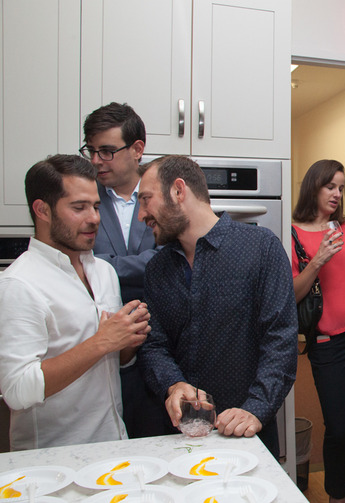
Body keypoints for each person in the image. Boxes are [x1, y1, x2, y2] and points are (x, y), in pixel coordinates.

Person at [136, 155, 297, 458]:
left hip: (247, 437)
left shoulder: (261, 248)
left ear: (178, 191)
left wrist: (255, 408)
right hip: (179, 439)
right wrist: (173, 384)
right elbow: (153, 345)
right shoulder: (157, 269)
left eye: (146, 199)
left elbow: (281, 340)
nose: (141, 214)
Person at [0, 154, 150, 450]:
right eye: (78, 207)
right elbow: (17, 389)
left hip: (114, 443)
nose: (94, 218)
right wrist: (102, 342)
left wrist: (127, 342)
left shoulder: (104, 272)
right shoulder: (19, 284)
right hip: (53, 459)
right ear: (42, 210)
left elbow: (115, 363)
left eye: (95, 206)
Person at [291, 159, 345, 503]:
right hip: (328, 342)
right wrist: (317, 261)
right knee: (339, 426)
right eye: (331, 186)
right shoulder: (294, 234)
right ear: (313, 186)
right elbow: (291, 294)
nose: (337, 194)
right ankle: (334, 494)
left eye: (341, 188)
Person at [81, 102, 164, 438]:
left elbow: (169, 258)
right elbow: (85, 267)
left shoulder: (164, 191)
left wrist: (106, 265)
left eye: (106, 151)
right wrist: (148, 262)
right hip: (105, 350)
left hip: (165, 342)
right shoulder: (85, 197)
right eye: (92, 150)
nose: (97, 160)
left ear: (137, 150)